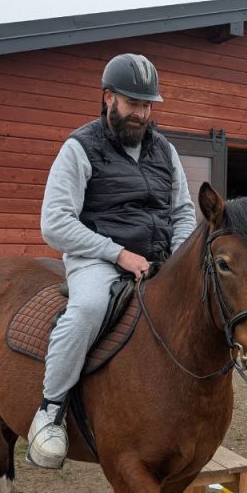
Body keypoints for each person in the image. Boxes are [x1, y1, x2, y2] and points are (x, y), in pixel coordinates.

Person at [28, 53, 197, 469]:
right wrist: (117, 253)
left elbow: (183, 213)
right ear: (108, 98)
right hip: (97, 259)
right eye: (132, 103)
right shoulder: (79, 148)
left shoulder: (165, 151)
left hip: (159, 260)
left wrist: (178, 260)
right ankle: (50, 411)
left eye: (147, 105)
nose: (141, 113)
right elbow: (55, 223)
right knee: (87, 309)